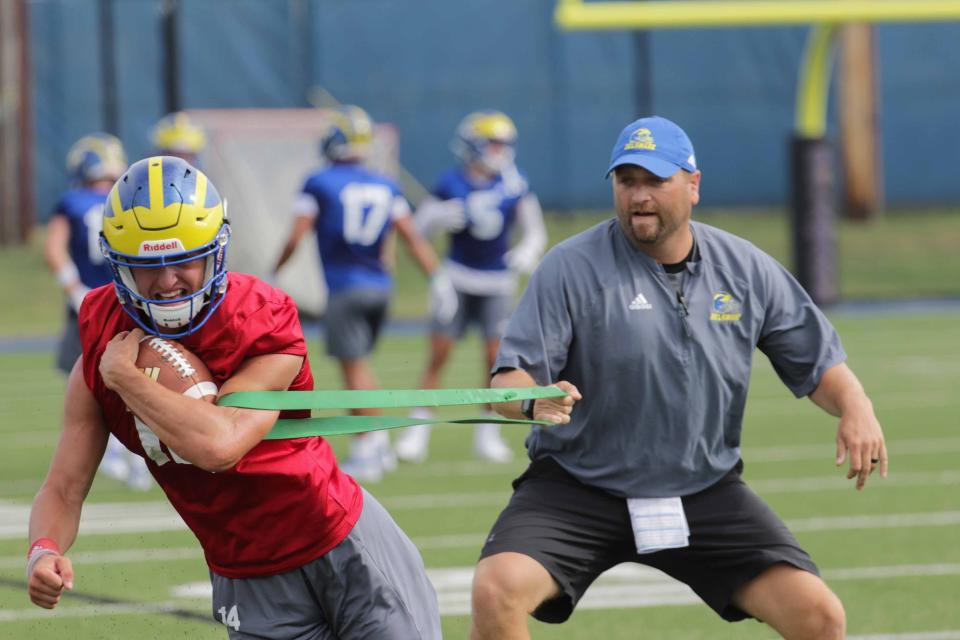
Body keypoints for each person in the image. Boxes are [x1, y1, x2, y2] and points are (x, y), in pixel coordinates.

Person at [470, 116, 888, 640]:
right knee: (496, 590)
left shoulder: (745, 269)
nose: (638, 196)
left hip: (702, 487)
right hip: (579, 486)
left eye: (654, 180)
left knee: (819, 616)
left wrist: (856, 405)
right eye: (626, 181)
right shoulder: (568, 267)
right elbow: (511, 381)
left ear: (692, 184)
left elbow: (819, 364)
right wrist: (533, 400)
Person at [27, 155, 441, 639]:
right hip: (244, 576)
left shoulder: (260, 318)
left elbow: (219, 447)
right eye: (147, 268)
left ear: (215, 251)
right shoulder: (103, 341)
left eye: (183, 261)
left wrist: (128, 378)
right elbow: (63, 486)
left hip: (338, 541)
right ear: (118, 266)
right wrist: (45, 548)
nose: (166, 283)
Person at [273, 104, 452, 483]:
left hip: (346, 287)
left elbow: (296, 233)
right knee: (360, 366)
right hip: (381, 289)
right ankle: (370, 444)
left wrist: (274, 269)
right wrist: (437, 277)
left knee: (354, 369)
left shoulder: (319, 181)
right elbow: (411, 237)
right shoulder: (385, 183)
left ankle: (371, 446)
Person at [393, 110, 546, 465]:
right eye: (494, 143)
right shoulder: (451, 182)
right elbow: (417, 231)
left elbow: (534, 230)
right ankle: (417, 432)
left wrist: (525, 252)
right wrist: (439, 217)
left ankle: (487, 433)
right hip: (457, 279)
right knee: (439, 356)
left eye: (504, 144)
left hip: (496, 282)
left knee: (495, 362)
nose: (500, 151)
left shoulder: (515, 183)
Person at [43, 133, 150, 490]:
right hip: (131, 304)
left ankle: (111, 453)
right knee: (139, 378)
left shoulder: (72, 202)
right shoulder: (129, 201)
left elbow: (53, 248)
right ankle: (138, 453)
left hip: (89, 305)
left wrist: (74, 288)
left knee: (84, 382)